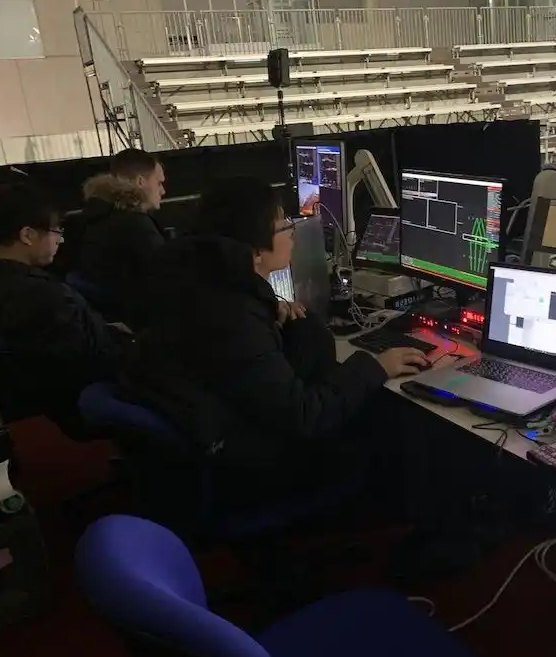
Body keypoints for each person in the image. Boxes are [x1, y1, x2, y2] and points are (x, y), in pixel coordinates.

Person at [125, 179, 429, 510]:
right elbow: (303, 415)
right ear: (255, 251)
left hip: (226, 435)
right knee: (393, 425)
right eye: (284, 225)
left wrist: (269, 312)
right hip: (254, 471)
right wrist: (376, 366)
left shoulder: (201, 285)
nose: (291, 232)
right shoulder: (232, 318)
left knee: (317, 343)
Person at [0, 182, 131, 425]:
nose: (61, 240)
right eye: (56, 231)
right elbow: (87, 361)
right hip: (83, 404)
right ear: (27, 235)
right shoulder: (38, 295)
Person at [79, 148, 167, 327]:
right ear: (141, 182)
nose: (163, 191)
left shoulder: (96, 216)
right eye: (159, 183)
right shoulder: (135, 226)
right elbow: (167, 276)